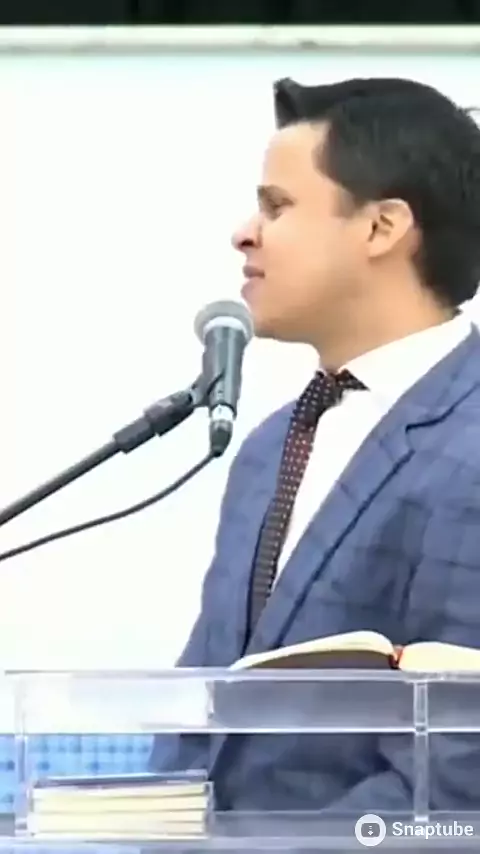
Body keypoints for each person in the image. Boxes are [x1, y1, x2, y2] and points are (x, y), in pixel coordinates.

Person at [151, 76, 480, 815]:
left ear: (381, 228)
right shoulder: (270, 446)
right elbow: (201, 700)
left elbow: (460, 767)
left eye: (277, 207)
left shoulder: (472, 442)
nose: (245, 233)